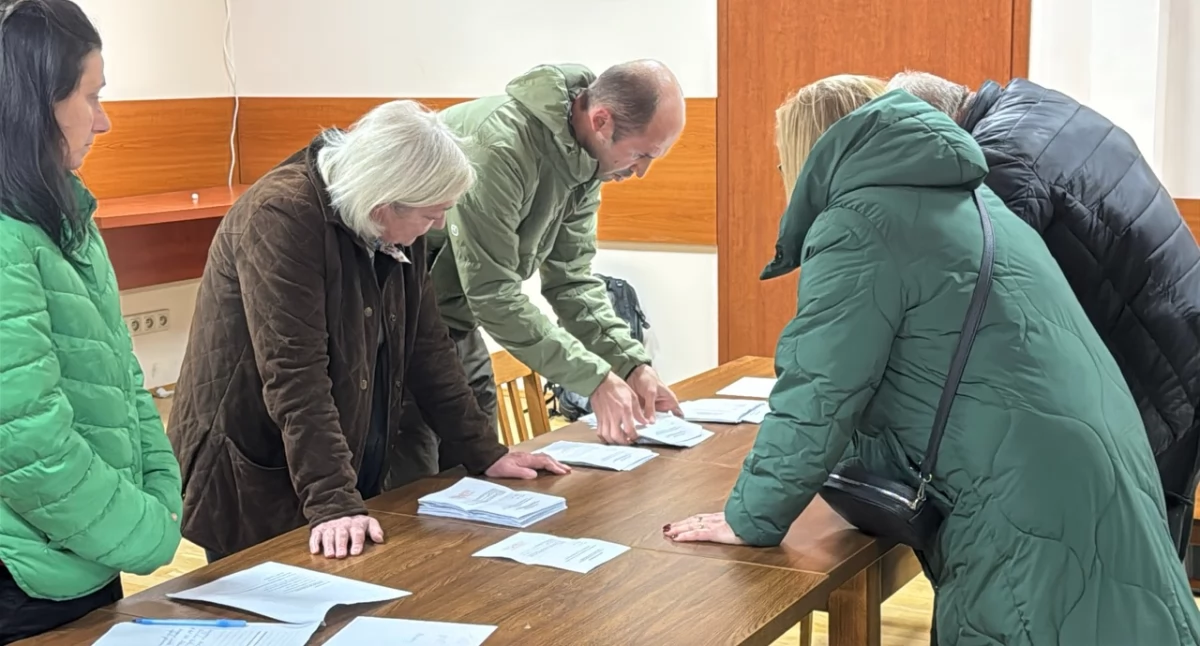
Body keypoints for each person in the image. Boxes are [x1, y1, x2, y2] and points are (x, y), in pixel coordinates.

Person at [663, 75, 1200, 644]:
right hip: (1092, 460)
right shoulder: (975, 200)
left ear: (809, 153)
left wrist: (751, 516)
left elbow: (818, 391)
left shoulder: (858, 223)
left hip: (1020, 496)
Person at [169, 100, 570, 564]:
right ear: (382, 205)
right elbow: (295, 374)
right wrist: (333, 500)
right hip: (253, 474)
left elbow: (428, 348)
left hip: (325, 466)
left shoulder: (394, 223)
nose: (439, 224)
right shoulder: (281, 216)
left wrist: (484, 451)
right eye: (431, 214)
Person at [887, 71, 1200, 558]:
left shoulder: (998, 163)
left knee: (1122, 564)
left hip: (1152, 378)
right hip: (1176, 342)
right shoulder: (1034, 105)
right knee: (1148, 556)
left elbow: (977, 309)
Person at [0, 0, 183, 641]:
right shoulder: (6, 241)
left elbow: (122, 376)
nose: (103, 121)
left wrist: (160, 491)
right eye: (91, 96)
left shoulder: (66, 215)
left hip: (89, 550)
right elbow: (27, 440)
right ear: (33, 104)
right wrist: (143, 527)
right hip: (28, 579)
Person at [422, 60, 686, 449]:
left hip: (454, 321)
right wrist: (595, 379)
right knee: (419, 473)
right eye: (641, 154)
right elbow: (492, 293)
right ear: (601, 121)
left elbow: (571, 280)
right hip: (395, 323)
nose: (641, 171)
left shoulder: (587, 162)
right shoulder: (499, 148)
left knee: (480, 458)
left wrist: (631, 365)